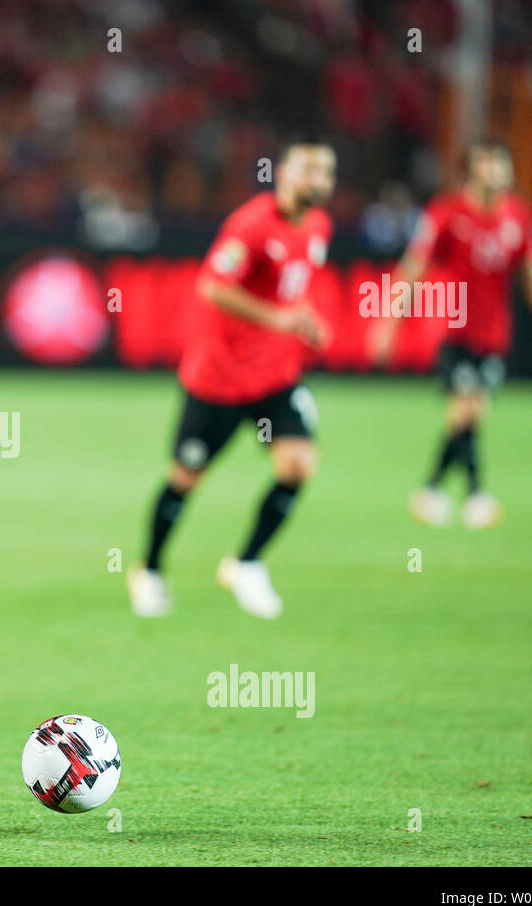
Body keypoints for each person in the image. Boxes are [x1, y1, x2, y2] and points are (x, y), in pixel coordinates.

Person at [129, 141, 335, 620]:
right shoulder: (252, 225)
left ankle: (245, 563)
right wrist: (279, 319)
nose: (318, 179)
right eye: (307, 169)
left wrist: (303, 321)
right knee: (185, 478)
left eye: (325, 171)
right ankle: (150, 569)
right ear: (282, 174)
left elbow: (290, 293)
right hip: (218, 379)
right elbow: (213, 286)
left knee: (298, 465)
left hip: (276, 377)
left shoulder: (319, 227)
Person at [372, 139, 532, 528]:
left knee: (469, 415)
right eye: (486, 166)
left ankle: (431, 489)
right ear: (472, 171)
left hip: (495, 334)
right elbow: (413, 267)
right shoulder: (446, 213)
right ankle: (476, 495)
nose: (494, 174)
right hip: (453, 327)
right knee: (468, 407)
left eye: (500, 166)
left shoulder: (519, 216)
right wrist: (388, 320)